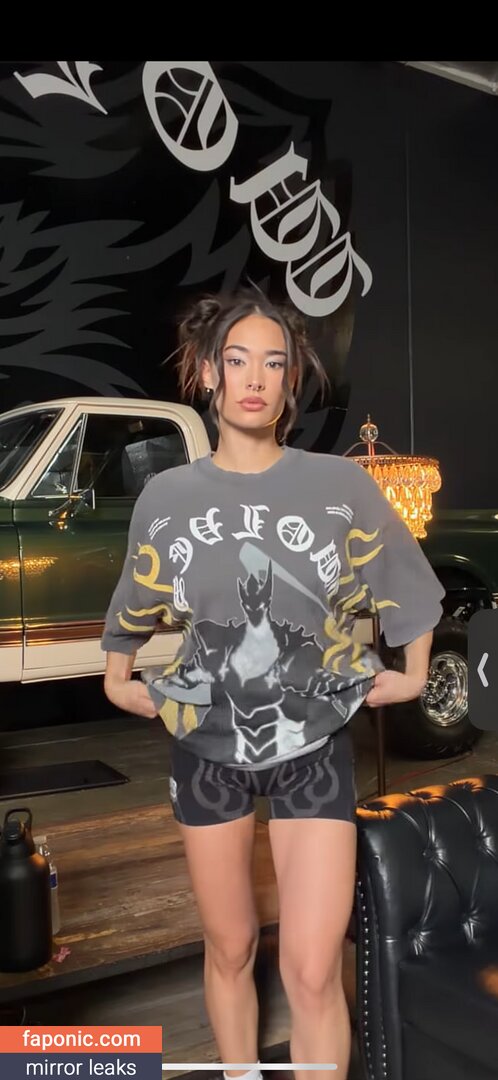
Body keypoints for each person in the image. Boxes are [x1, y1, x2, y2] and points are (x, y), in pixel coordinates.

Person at [101, 289, 445, 1080]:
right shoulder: (168, 498)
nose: (254, 378)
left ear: (292, 382)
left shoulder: (338, 485)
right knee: (230, 949)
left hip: (313, 745)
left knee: (313, 969)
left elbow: (405, 581)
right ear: (209, 374)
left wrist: (415, 674)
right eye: (237, 360)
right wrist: (120, 679)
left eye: (274, 363)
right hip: (206, 748)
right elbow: (134, 602)